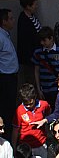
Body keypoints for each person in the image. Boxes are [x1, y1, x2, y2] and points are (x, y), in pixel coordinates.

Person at [32, 26, 59, 107]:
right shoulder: (38, 52)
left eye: (44, 40)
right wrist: (38, 88)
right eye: (41, 41)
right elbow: (36, 70)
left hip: (57, 87)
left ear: (51, 38)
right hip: (44, 87)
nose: (42, 43)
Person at [12, 84, 50, 158]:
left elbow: (48, 115)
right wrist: (13, 147)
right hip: (26, 147)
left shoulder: (44, 105)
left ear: (35, 97)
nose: (29, 106)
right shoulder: (19, 110)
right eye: (26, 105)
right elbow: (15, 130)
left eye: (31, 103)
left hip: (41, 144)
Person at [17, 0, 42, 87]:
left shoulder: (32, 16)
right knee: (32, 82)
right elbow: (26, 43)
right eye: (34, 4)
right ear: (28, 6)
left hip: (37, 57)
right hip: (30, 60)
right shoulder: (24, 20)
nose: (36, 6)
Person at [0, 9, 18, 139]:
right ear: (4, 21)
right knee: (7, 108)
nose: (13, 21)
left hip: (11, 76)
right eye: (10, 18)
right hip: (5, 78)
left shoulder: (5, 35)